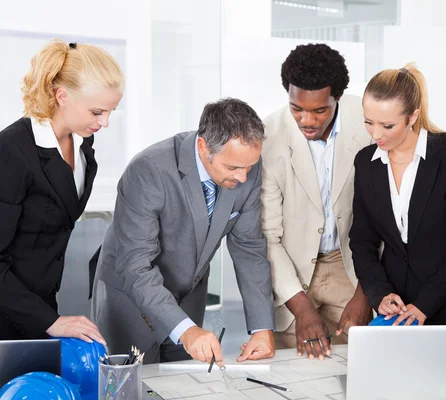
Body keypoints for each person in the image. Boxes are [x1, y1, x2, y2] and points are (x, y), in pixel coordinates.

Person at [92, 98, 275, 364]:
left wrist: (262, 328)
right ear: (203, 147)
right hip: (131, 300)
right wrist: (186, 330)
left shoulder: (247, 167)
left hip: (190, 297)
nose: (243, 178)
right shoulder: (149, 170)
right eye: (233, 168)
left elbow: (249, 249)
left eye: (249, 167)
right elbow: (135, 265)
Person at [0, 39, 124, 343]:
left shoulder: (83, 144)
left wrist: (49, 318)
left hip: (42, 307)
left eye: (110, 112)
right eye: (97, 112)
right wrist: (50, 321)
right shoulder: (11, 151)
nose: (104, 122)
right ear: (62, 95)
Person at [349, 65, 446, 329]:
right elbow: (362, 240)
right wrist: (380, 294)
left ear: (413, 117)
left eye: (387, 125)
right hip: (395, 310)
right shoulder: (366, 163)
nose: (376, 134)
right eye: (368, 122)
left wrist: (426, 304)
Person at [261, 43, 373, 360]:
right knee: (293, 374)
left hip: (349, 266)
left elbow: (383, 219)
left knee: (359, 369)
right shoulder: (268, 136)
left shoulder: (367, 123)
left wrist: (364, 295)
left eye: (319, 110)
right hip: (290, 269)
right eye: (297, 108)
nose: (306, 120)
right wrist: (302, 310)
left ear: (336, 97)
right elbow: (268, 237)